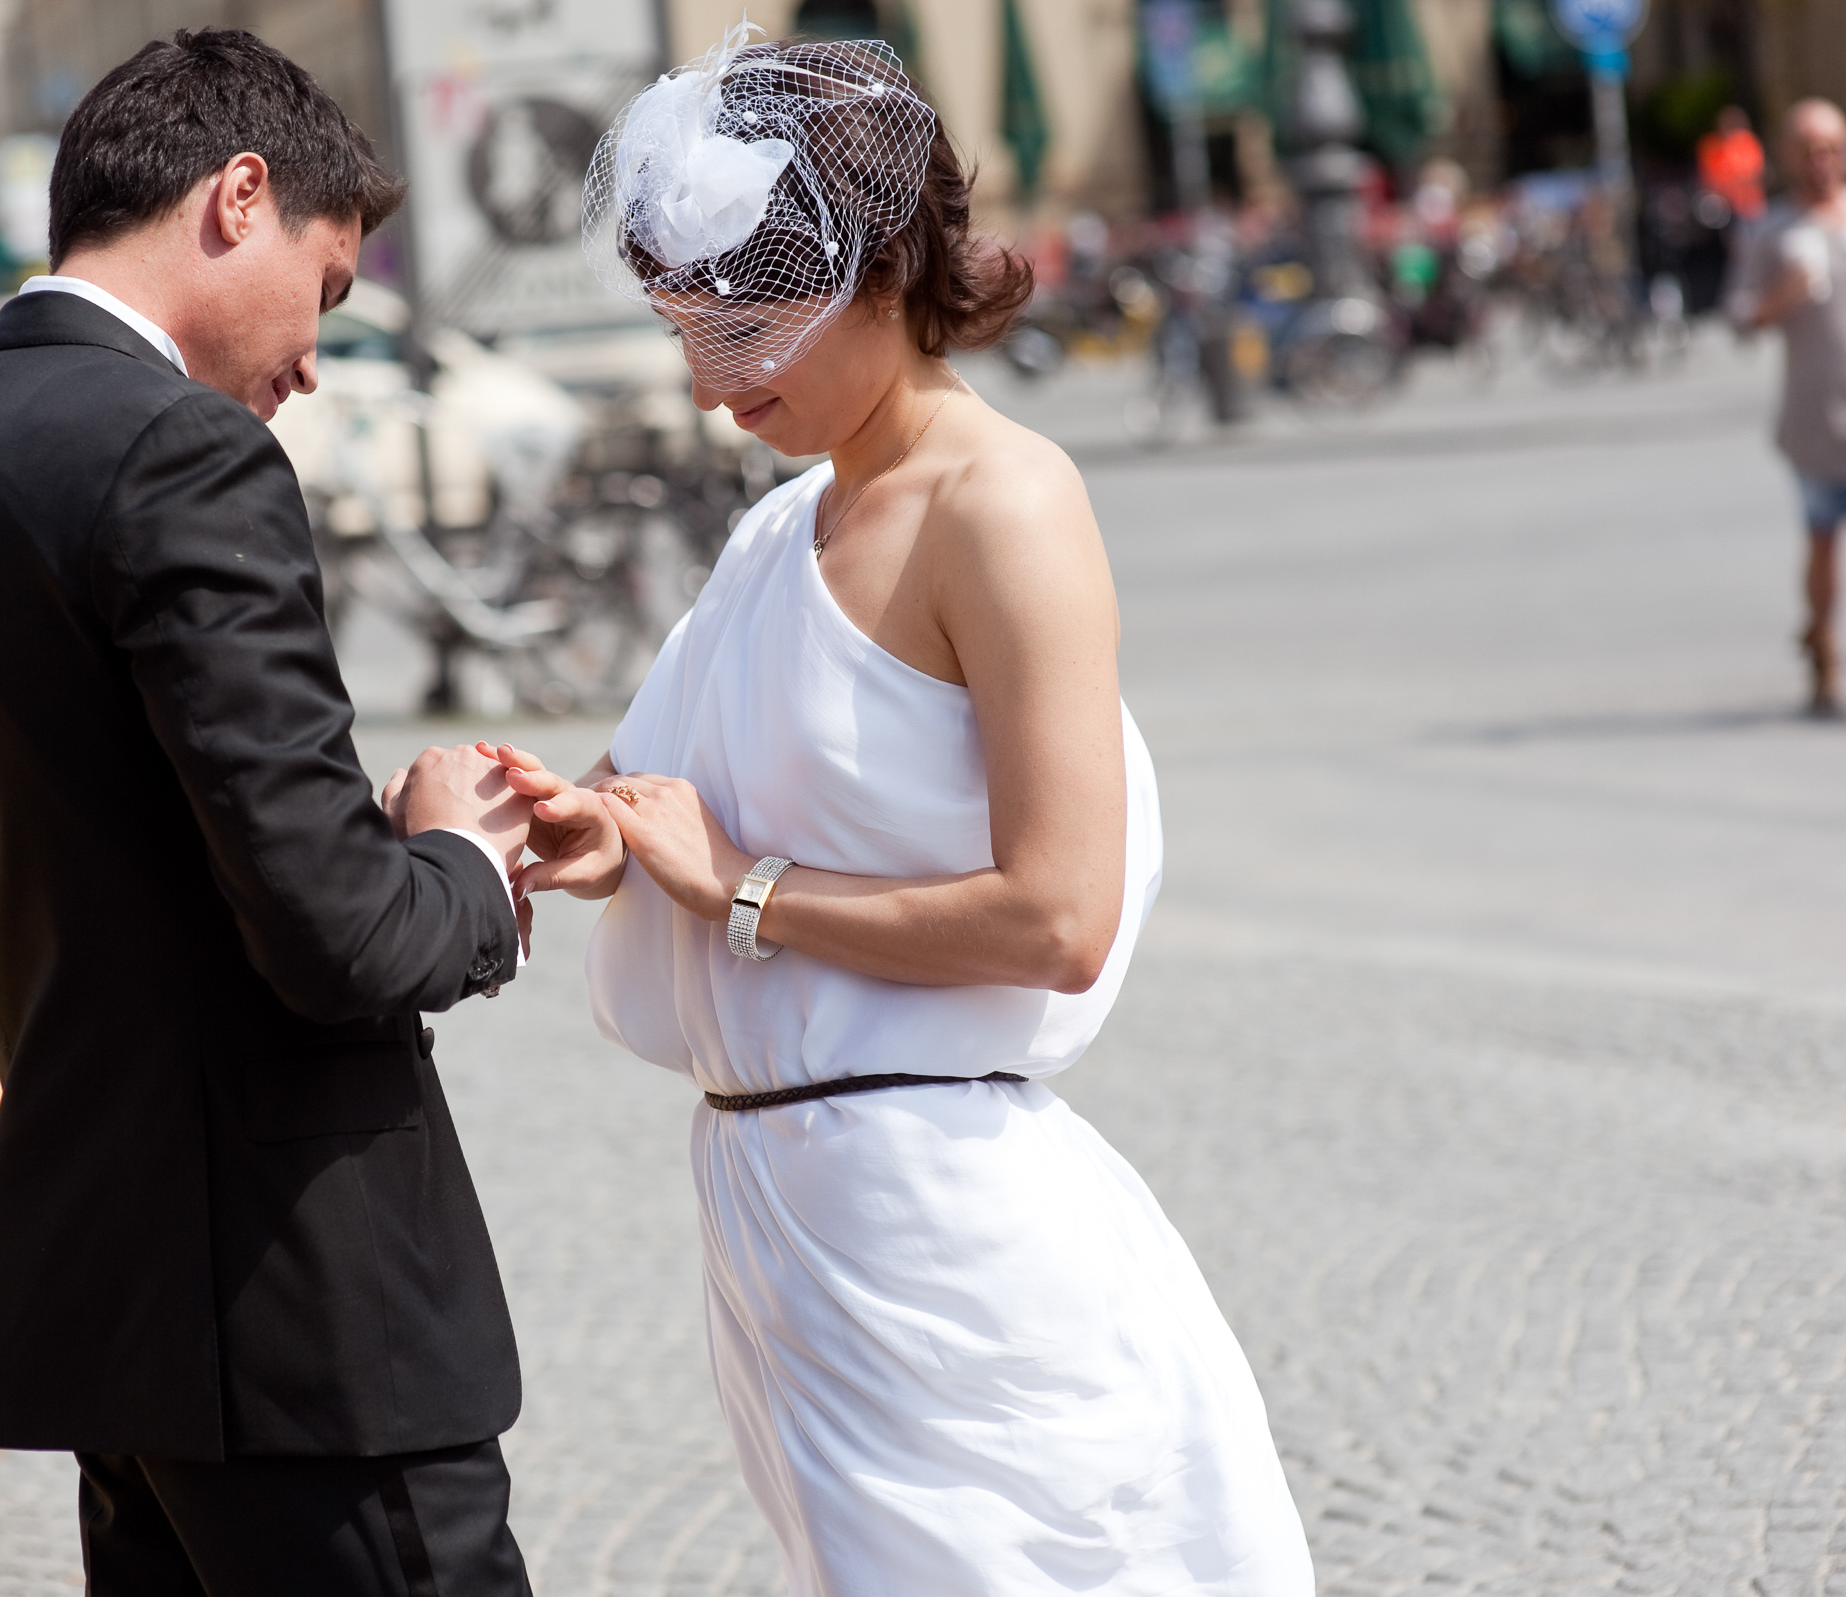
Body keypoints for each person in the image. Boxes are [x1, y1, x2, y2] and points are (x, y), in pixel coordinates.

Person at [489, 32, 1313, 1596]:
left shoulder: (1003, 501)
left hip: (939, 1210)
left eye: (746, 323)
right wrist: (600, 838)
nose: (710, 379)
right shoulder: (781, 525)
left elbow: (1058, 917)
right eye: (683, 326)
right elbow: (666, 804)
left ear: (878, 273)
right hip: (778, 1214)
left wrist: (743, 887)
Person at [0, 31, 538, 1595]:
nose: (312, 362)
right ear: (239, 196)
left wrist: (305, 852)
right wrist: (461, 856)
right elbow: (342, 937)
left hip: (116, 1336)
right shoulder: (181, 450)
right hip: (304, 1319)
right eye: (327, 286)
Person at [1733, 98, 1846, 714]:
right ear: (1786, 156)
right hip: (1814, 419)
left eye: (1830, 148)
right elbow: (1740, 317)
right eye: (1808, 151)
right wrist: (1786, 293)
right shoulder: (1772, 230)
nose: (1820, 161)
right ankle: (1822, 646)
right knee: (1823, 540)